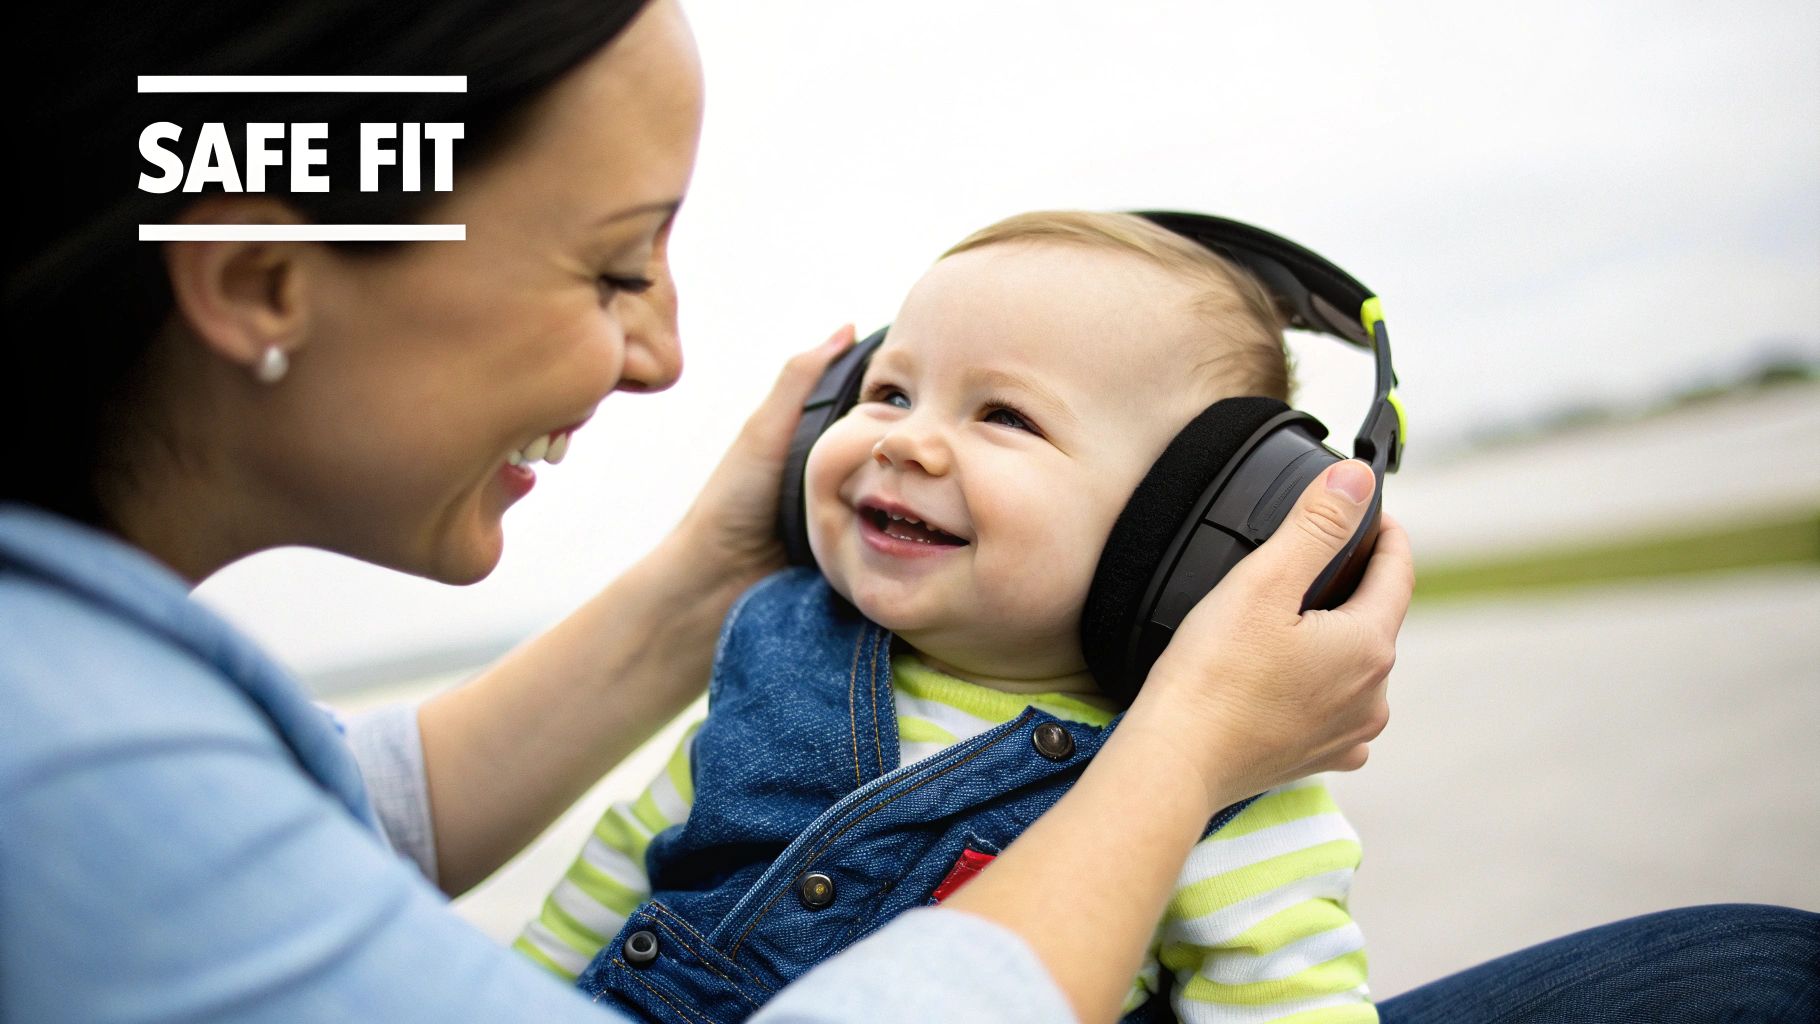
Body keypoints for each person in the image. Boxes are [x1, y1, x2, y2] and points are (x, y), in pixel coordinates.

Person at [3, 1, 1812, 1022]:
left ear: (1202, 519)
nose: (669, 360)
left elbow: (334, 815)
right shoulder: (51, 757)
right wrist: (1176, 751)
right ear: (261, 275)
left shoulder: (83, 681)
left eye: (1000, 411)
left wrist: (700, 577)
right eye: (618, 265)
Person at [519, 210, 1379, 1024]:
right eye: (890, 391)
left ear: (1180, 531)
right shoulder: (780, 648)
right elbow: (629, 854)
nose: (904, 440)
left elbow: (1292, 998)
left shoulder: (1235, 779)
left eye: (1004, 415)